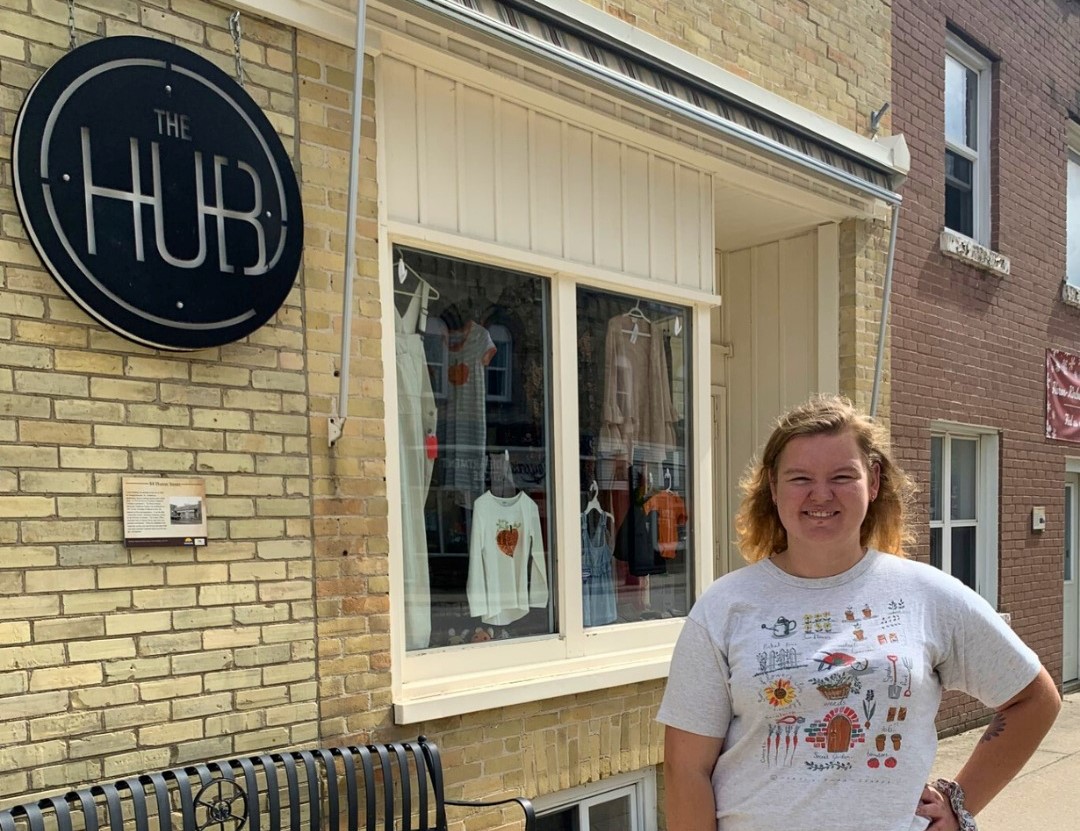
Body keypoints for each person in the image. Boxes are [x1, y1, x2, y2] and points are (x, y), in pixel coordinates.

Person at [657, 394, 1060, 831]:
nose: (821, 494)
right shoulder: (725, 606)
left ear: (873, 480)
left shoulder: (927, 594)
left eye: (842, 476)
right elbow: (686, 769)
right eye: (800, 478)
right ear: (772, 488)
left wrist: (959, 802)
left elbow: (1033, 700)